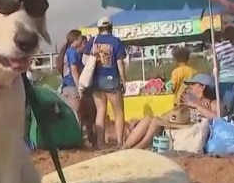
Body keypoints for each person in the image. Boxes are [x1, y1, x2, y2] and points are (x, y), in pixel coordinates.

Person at [123, 73, 218, 149]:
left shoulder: (212, 103)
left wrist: (196, 105)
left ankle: (140, 146)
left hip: (187, 127)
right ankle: (125, 147)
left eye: (193, 84)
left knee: (156, 121)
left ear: (202, 87)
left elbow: (216, 117)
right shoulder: (189, 99)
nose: (190, 87)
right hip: (176, 125)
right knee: (148, 118)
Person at [84, 17, 127, 148]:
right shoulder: (116, 42)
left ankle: (101, 142)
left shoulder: (92, 41)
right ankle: (120, 142)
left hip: (96, 80)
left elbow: (84, 60)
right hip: (111, 79)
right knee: (118, 112)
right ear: (111, 27)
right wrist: (123, 80)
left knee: (101, 111)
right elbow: (120, 63)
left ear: (99, 28)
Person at [56, 29, 85, 118]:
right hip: (72, 85)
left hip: (67, 86)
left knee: (72, 115)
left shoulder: (68, 51)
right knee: (76, 116)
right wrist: (79, 87)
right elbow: (74, 70)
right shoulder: (72, 52)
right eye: (80, 38)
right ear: (75, 39)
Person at [212, 27, 234, 114]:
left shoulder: (218, 47)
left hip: (225, 80)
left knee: (226, 108)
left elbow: (216, 67)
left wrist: (215, 81)